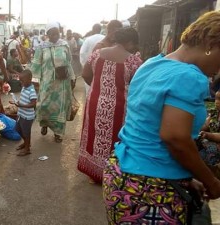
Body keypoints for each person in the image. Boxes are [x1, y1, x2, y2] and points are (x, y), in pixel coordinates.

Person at [103, 11, 220, 224]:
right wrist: (210, 180)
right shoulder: (190, 76)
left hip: (122, 175)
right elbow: (175, 138)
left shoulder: (152, 64)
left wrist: (185, 178)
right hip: (151, 190)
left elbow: (149, 130)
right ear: (211, 43)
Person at [77, 28, 142, 183]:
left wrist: (97, 88)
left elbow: (85, 74)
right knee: (116, 139)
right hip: (119, 108)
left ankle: (94, 175)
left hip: (95, 102)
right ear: (130, 42)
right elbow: (138, 87)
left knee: (93, 136)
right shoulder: (134, 62)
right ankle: (112, 176)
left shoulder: (97, 53)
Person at [30, 21, 76, 143]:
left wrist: (72, 78)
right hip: (47, 82)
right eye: (52, 33)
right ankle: (44, 124)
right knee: (43, 105)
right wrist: (34, 80)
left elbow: (69, 62)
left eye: (57, 33)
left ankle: (58, 133)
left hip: (62, 84)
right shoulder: (41, 47)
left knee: (60, 108)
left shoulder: (64, 45)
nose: (55, 36)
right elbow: (36, 64)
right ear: (48, 33)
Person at [10, 69, 37, 156]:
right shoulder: (24, 87)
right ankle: (26, 143)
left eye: (23, 81)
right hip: (21, 114)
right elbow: (23, 100)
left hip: (28, 116)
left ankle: (27, 149)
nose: (21, 83)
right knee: (18, 129)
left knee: (26, 132)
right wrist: (16, 102)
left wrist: (22, 106)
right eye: (20, 80)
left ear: (30, 79)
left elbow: (33, 104)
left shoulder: (32, 91)